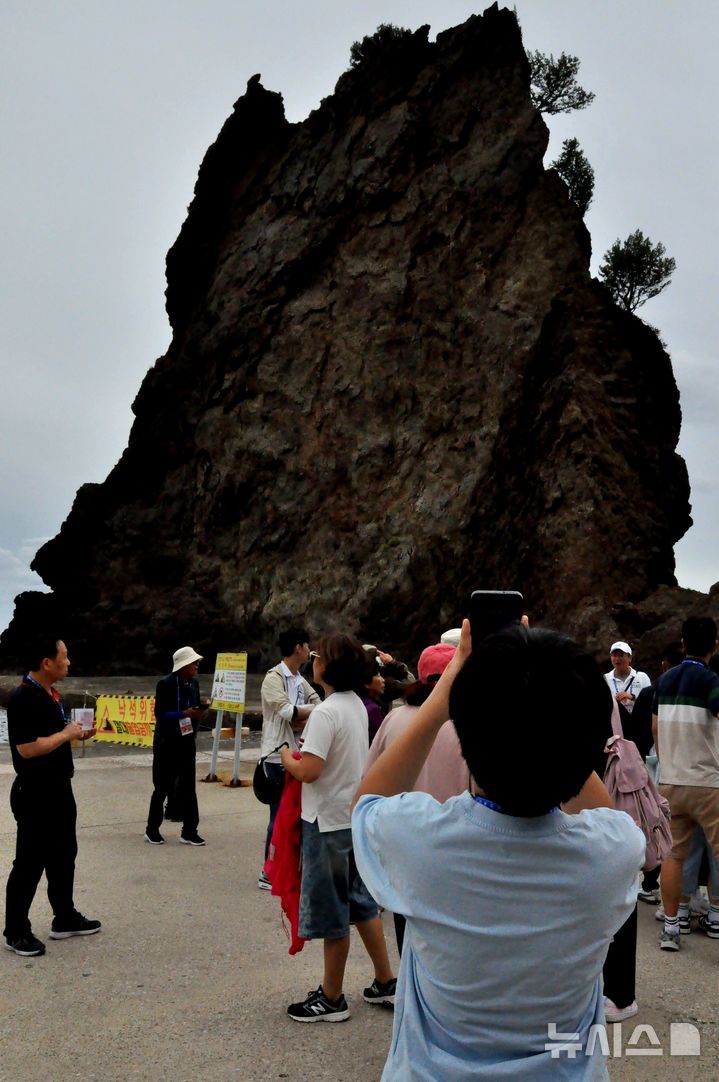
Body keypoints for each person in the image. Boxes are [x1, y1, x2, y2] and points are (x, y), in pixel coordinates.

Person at [352, 620, 644, 1080]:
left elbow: (366, 803)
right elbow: (600, 806)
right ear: (589, 746)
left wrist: (441, 703)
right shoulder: (614, 852)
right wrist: (553, 721)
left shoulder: (421, 843)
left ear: (465, 737)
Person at [280, 632, 395, 1022]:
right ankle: (384, 980)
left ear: (328, 667)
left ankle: (331, 997)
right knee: (362, 903)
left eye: (318, 656)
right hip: (351, 818)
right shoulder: (356, 706)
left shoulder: (326, 712)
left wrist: (286, 757)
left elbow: (309, 770)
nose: (313, 660)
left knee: (332, 912)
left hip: (326, 823)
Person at [364, 640, 468, 953]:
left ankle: (409, 998)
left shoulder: (395, 720)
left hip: (406, 849)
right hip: (459, 849)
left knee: (410, 942)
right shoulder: (473, 722)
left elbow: (371, 784)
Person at [4, 637, 101, 957]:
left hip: (60, 789)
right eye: (64, 656)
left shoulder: (50, 694)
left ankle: (65, 916)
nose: (69, 662)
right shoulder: (22, 698)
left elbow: (54, 740)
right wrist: (66, 733)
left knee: (63, 856)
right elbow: (27, 749)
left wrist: (78, 734)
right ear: (47, 662)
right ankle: (16, 931)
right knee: (29, 864)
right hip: (34, 793)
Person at [653, 616, 719, 951]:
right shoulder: (712, 681)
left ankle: (671, 929)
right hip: (708, 782)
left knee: (674, 855)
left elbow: (654, 728)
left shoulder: (663, 682)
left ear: (682, 644)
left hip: (671, 780)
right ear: (715, 645)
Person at [258, 628, 320, 889]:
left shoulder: (297, 677)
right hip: (275, 756)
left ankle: (286, 868)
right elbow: (286, 711)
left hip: (294, 753)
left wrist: (303, 712)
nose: (310, 651)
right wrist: (307, 712)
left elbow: (316, 701)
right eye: (307, 646)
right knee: (278, 816)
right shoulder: (274, 678)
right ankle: (268, 872)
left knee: (292, 815)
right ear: (298, 647)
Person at [145, 646, 208, 846]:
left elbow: (193, 710)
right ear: (183, 666)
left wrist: (197, 713)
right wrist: (185, 714)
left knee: (189, 787)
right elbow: (161, 715)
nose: (197, 665)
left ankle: (190, 830)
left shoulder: (194, 684)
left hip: (187, 740)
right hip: (167, 742)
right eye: (193, 662)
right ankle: (152, 829)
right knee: (162, 787)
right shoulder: (165, 684)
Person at [603, 641, 650, 715]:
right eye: (614, 655)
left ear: (630, 658)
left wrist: (632, 697)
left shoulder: (642, 677)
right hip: (616, 723)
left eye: (621, 655)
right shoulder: (605, 679)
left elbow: (651, 702)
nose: (617, 659)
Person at [359, 652, 385, 745]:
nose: (383, 680)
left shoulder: (358, 703)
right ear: (366, 682)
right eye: (377, 675)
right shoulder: (373, 710)